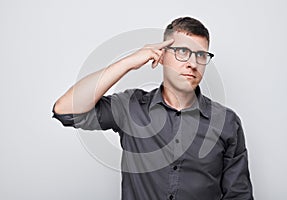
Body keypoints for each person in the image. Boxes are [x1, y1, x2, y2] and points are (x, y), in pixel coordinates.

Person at [52, 17, 254, 200]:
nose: (193, 63)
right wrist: (129, 62)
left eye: (201, 55)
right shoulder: (130, 107)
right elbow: (65, 110)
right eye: (183, 52)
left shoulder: (227, 122)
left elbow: (239, 196)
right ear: (163, 56)